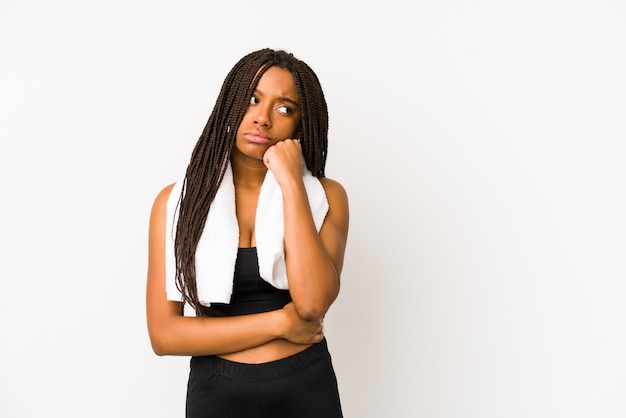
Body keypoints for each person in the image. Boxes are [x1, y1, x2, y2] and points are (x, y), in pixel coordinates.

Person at [146, 48, 349, 418]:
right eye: (252, 99)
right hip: (216, 393)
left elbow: (312, 303)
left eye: (284, 108)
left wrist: (290, 183)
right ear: (231, 105)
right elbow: (164, 335)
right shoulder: (177, 203)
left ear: (300, 126)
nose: (262, 119)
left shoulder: (326, 196)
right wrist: (278, 323)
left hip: (305, 387)